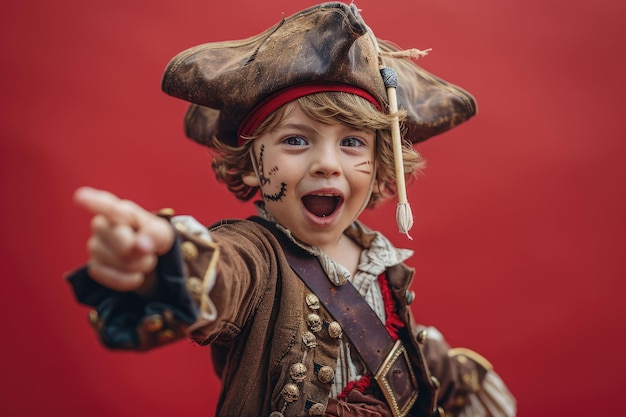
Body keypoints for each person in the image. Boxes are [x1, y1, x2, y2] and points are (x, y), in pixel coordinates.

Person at [68, 2, 516, 417]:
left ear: (383, 170)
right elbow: (221, 275)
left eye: (352, 142)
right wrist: (158, 258)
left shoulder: (382, 264)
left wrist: (464, 381)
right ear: (249, 167)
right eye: (296, 140)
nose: (326, 163)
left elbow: (413, 356)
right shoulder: (255, 256)